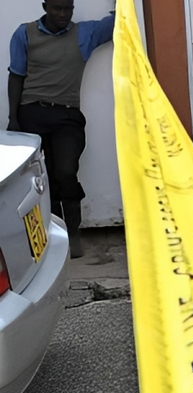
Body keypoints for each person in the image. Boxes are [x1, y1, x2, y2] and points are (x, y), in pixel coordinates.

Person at [7, 0, 115, 258]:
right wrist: (14, 119)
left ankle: (74, 234)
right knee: (40, 179)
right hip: (31, 113)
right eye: (57, 8)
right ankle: (53, 240)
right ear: (45, 6)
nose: (63, 14)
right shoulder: (24, 33)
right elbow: (16, 76)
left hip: (67, 115)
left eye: (68, 9)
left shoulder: (84, 34)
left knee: (66, 172)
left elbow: (118, 23)